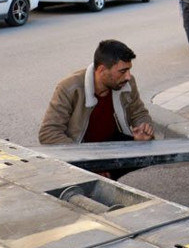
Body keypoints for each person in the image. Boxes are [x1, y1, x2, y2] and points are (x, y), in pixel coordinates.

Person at [39, 40, 155, 178]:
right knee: (92, 180)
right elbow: (48, 133)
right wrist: (88, 163)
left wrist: (143, 128)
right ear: (101, 70)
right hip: (80, 148)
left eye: (129, 70)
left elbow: (139, 112)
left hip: (110, 143)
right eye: (123, 71)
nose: (128, 76)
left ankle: (106, 180)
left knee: (150, 151)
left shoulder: (127, 83)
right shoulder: (69, 88)